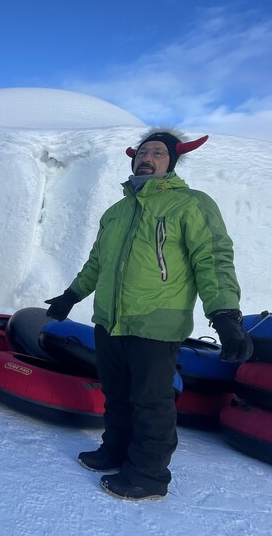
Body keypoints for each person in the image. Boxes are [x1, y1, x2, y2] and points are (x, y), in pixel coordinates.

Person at [44, 127, 252, 501]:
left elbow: (213, 259)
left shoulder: (191, 203)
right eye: (143, 151)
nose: (148, 157)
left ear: (172, 160)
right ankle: (116, 451)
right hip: (109, 320)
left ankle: (148, 475)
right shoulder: (117, 211)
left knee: (151, 401)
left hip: (157, 321)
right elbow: (97, 263)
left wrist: (224, 314)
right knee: (117, 394)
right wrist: (69, 296)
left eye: (158, 152)